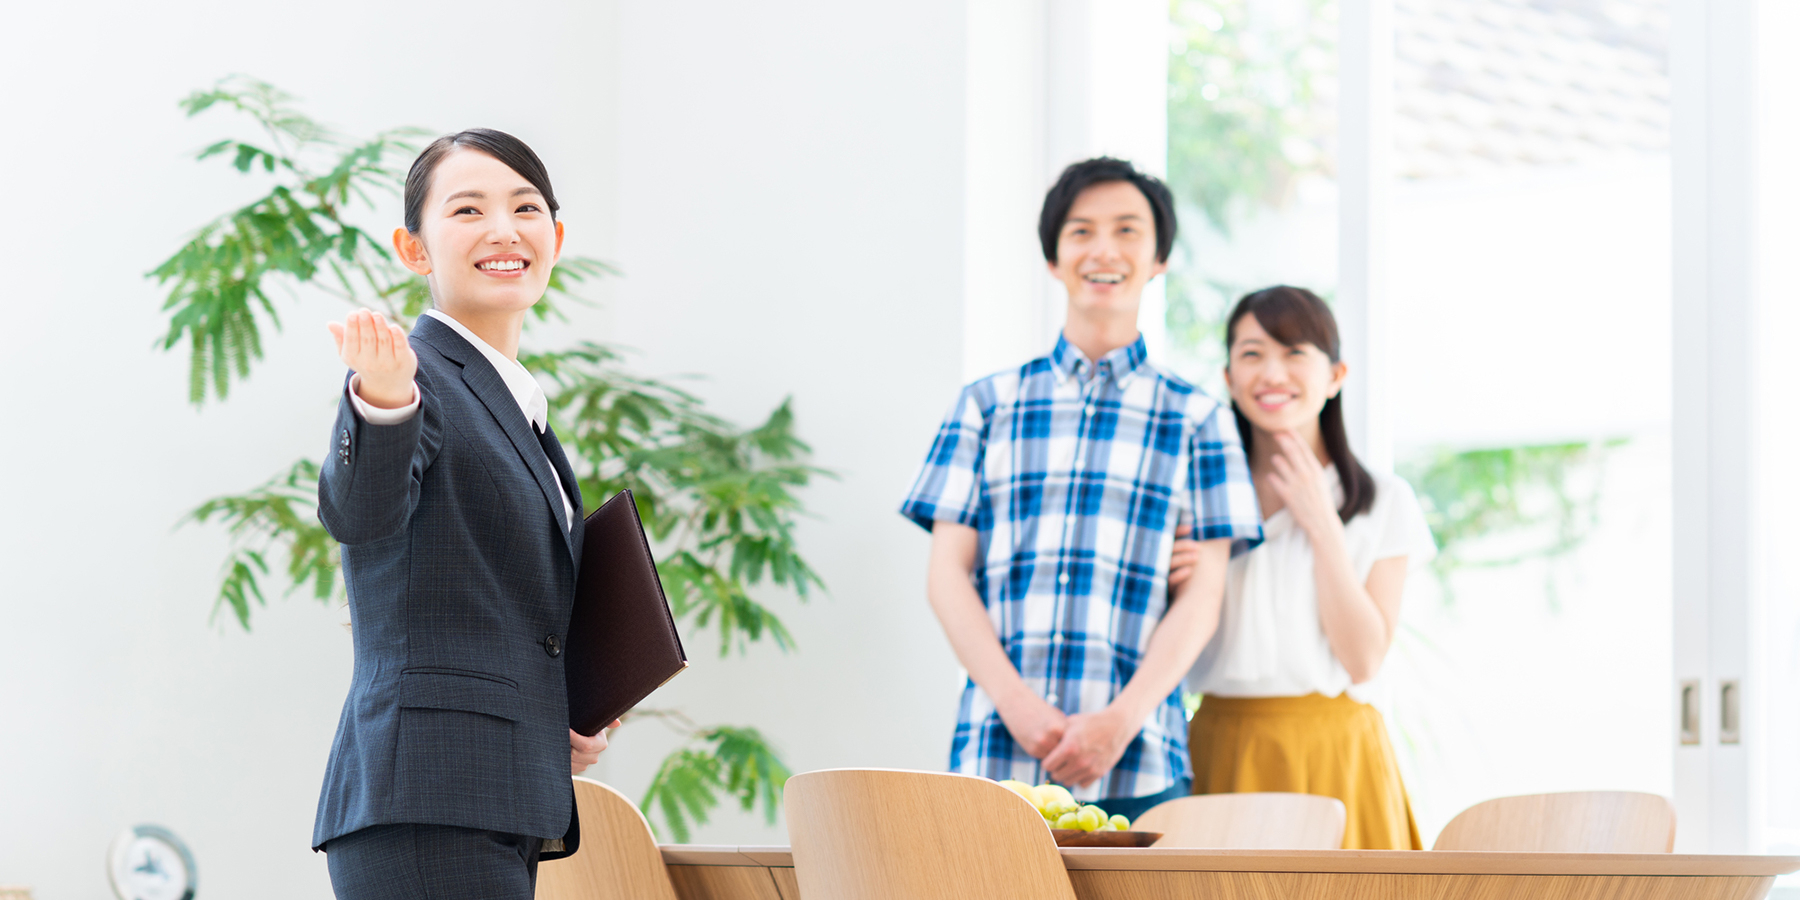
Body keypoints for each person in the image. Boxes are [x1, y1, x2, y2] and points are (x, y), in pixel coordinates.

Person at [900, 157, 1264, 821]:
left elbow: (1204, 596)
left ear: (1158, 259)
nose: (1104, 249)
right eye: (1081, 232)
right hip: (994, 752)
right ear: (1053, 259)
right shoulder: (986, 405)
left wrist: (1119, 721)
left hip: (1141, 755)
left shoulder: (1198, 418)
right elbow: (947, 577)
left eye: (1128, 230)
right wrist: (1019, 707)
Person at [310, 128, 617, 898]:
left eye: (525, 207)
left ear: (555, 236)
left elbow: (499, 608)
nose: (504, 230)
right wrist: (382, 403)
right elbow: (363, 513)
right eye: (468, 209)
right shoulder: (418, 382)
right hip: (425, 797)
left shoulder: (516, 405)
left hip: (495, 796)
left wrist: (559, 708)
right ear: (413, 249)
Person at [1170, 285, 1435, 849]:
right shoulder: (1194, 498)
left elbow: (1363, 659)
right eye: (1251, 354)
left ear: (1335, 375)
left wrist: (1322, 526)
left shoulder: (1384, 501)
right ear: (1227, 377)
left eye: (1295, 353)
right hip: (1221, 745)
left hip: (1336, 752)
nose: (1272, 373)